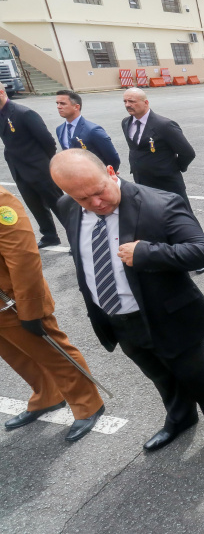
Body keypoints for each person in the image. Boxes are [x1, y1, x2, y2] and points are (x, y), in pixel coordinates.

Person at [50, 150, 204, 462]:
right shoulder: (67, 207)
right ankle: (181, 418)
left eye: (100, 191)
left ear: (111, 172)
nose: (96, 203)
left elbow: (203, 252)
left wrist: (147, 254)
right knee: (159, 375)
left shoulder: (160, 203)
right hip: (117, 316)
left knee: (197, 375)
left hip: (168, 315)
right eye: (84, 198)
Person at [0, 185, 105, 442]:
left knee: (52, 352)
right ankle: (46, 395)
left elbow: (23, 257)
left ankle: (88, 403)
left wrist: (30, 308)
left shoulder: (1, 200)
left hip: (11, 300)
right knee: (19, 357)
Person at [0, 84, 65, 249]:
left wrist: (47, 164)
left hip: (40, 169)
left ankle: (75, 235)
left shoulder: (24, 113)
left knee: (59, 204)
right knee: (35, 206)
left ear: (1, 92)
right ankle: (50, 236)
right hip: (19, 171)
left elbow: (48, 141)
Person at [120, 88, 196, 205]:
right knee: (152, 218)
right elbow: (135, 148)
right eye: (125, 101)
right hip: (142, 182)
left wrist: (171, 168)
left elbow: (187, 153)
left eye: (132, 101)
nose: (127, 105)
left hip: (166, 183)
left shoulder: (164, 125)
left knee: (180, 218)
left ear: (146, 103)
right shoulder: (126, 123)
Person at [55, 90, 120, 170]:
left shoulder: (92, 130)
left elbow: (112, 158)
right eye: (57, 103)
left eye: (63, 103)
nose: (58, 106)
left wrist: (109, 173)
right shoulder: (60, 129)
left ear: (76, 107)